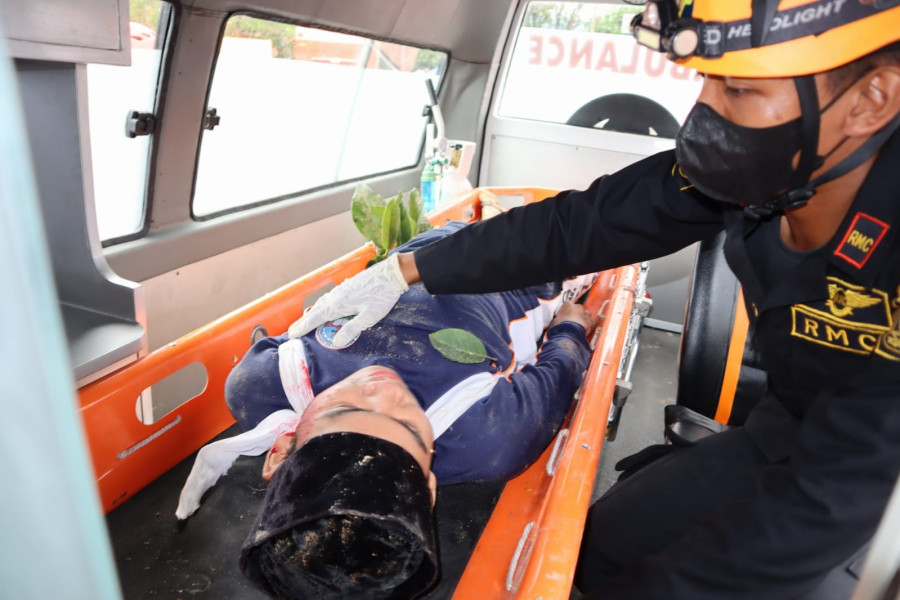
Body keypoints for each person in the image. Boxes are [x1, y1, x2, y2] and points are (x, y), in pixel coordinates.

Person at [290, 2, 900, 598]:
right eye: (708, 81)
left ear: (872, 100)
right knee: (595, 547)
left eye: (738, 90)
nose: (703, 112)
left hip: (878, 481)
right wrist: (407, 268)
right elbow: (581, 225)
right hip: (786, 421)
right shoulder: (764, 174)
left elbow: (835, 491)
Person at [175, 222, 597, 598]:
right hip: (520, 266)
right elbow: (560, 368)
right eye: (409, 424)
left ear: (281, 447)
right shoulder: (487, 437)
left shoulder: (263, 383)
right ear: (429, 486)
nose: (382, 385)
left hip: (420, 251)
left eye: (342, 408)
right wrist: (572, 324)